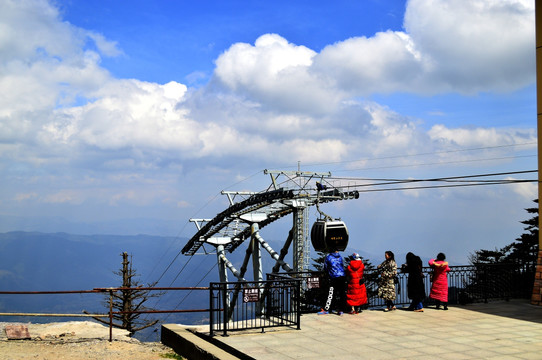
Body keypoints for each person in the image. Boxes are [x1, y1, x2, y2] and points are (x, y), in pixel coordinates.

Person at [318, 249, 346, 315]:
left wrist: (327, 274)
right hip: (342, 276)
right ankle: (341, 310)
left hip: (334, 277)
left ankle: (327, 309)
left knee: (331, 293)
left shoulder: (328, 257)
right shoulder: (340, 256)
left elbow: (326, 267)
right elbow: (342, 265)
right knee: (342, 294)